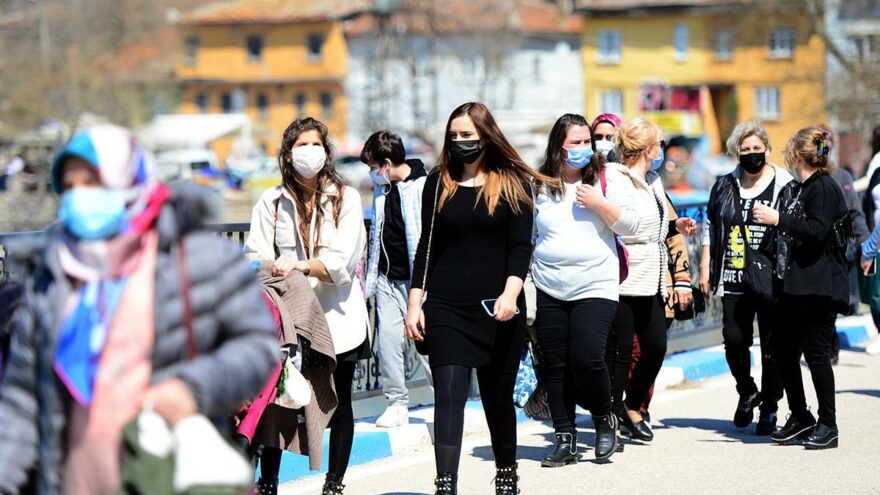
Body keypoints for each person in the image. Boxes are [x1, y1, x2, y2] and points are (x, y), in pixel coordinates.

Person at [0, 125, 278, 494]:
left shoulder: (189, 259)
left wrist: (189, 389)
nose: (80, 196)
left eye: (94, 182)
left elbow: (256, 347)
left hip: (165, 466)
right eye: (70, 186)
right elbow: (22, 395)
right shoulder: (52, 273)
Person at [405, 102, 539, 495]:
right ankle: (445, 484)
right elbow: (425, 249)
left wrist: (510, 294)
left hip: (499, 306)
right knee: (448, 396)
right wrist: (415, 304)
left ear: (486, 135)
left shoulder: (514, 182)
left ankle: (506, 474)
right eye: (454, 135)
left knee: (498, 398)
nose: (460, 141)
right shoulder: (438, 182)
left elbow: (520, 247)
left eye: (468, 134)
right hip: (446, 306)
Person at [244, 117, 370, 494]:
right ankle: (269, 482)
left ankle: (334, 482)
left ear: (326, 151)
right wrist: (274, 271)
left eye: (315, 144)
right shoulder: (271, 201)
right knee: (277, 400)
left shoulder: (345, 198)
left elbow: (342, 259)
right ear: (287, 153)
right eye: (300, 145)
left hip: (339, 315)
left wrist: (299, 266)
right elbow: (256, 254)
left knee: (339, 400)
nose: (309, 152)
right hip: (289, 320)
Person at [531, 114, 639, 466]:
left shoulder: (608, 177)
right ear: (558, 147)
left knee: (588, 357)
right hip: (549, 284)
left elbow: (632, 224)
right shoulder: (540, 186)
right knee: (556, 366)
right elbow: (528, 237)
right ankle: (565, 438)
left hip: (595, 283)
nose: (582, 149)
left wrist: (599, 203)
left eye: (586, 142)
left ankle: (605, 416)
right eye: (574, 142)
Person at [753, 127, 849, 449]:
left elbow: (816, 231)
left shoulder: (823, 187)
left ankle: (828, 423)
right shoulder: (799, 189)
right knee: (782, 351)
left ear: (795, 154)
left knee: (817, 355)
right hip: (796, 287)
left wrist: (777, 218)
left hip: (820, 287)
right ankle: (800, 415)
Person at [698, 119, 791, 435]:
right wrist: (705, 266)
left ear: (766, 149)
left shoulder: (784, 183)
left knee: (771, 346)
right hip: (734, 273)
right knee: (734, 339)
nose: (751, 154)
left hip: (771, 277)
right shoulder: (724, 184)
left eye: (757, 148)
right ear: (736, 153)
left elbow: (795, 225)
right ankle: (747, 390)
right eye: (745, 150)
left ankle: (770, 407)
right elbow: (711, 226)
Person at [606, 118, 675, 443]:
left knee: (656, 347)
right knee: (621, 353)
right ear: (649, 149)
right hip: (626, 275)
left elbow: (659, 220)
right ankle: (610, 416)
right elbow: (624, 224)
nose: (661, 150)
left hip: (654, 275)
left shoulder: (654, 180)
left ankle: (632, 404)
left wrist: (676, 228)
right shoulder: (617, 179)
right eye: (658, 144)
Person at [362, 130, 431, 428]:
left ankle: (449, 397)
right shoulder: (382, 190)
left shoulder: (424, 187)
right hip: (387, 279)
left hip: (420, 282)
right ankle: (396, 403)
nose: (371, 173)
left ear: (386, 164)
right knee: (388, 343)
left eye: (374, 167)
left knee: (428, 343)